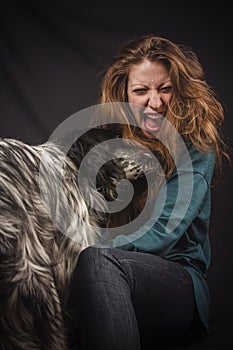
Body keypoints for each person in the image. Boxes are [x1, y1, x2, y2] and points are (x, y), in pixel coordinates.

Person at [68, 34, 229, 349]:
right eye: (141, 90)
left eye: (165, 88)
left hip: (178, 284)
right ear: (124, 94)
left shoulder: (196, 144)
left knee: (97, 261)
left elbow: (161, 232)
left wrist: (82, 252)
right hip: (108, 280)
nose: (155, 102)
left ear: (179, 90)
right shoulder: (108, 145)